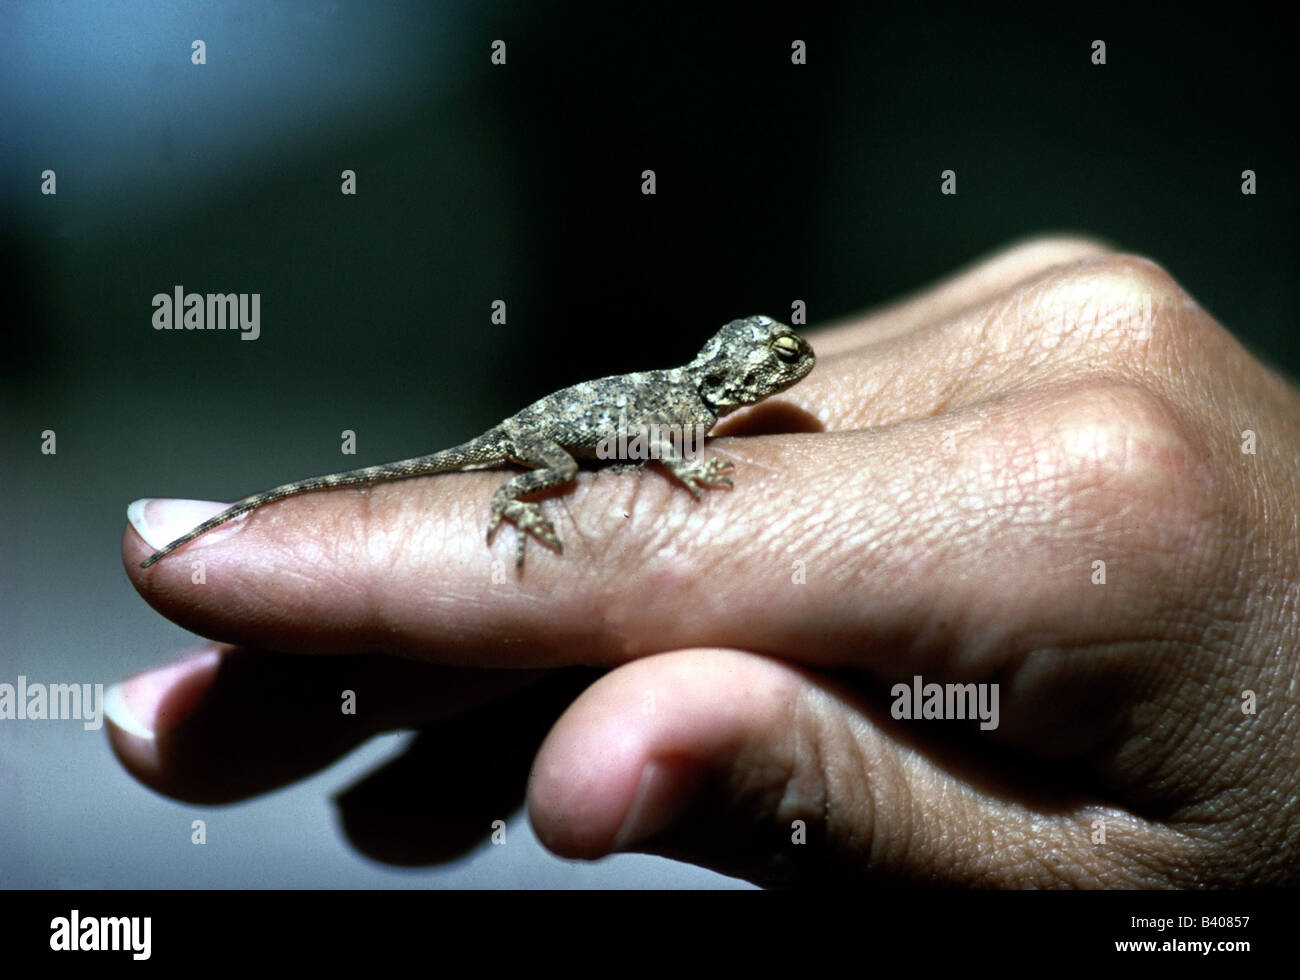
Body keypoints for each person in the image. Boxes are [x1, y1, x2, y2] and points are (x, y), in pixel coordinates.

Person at [113, 236, 1300, 887]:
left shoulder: (696, 395)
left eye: (784, 355)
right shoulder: (686, 409)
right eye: (773, 360)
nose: (784, 371)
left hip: (572, 416)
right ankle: (508, 509)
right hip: (536, 443)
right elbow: (661, 453)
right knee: (520, 490)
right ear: (740, 373)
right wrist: (597, 489)